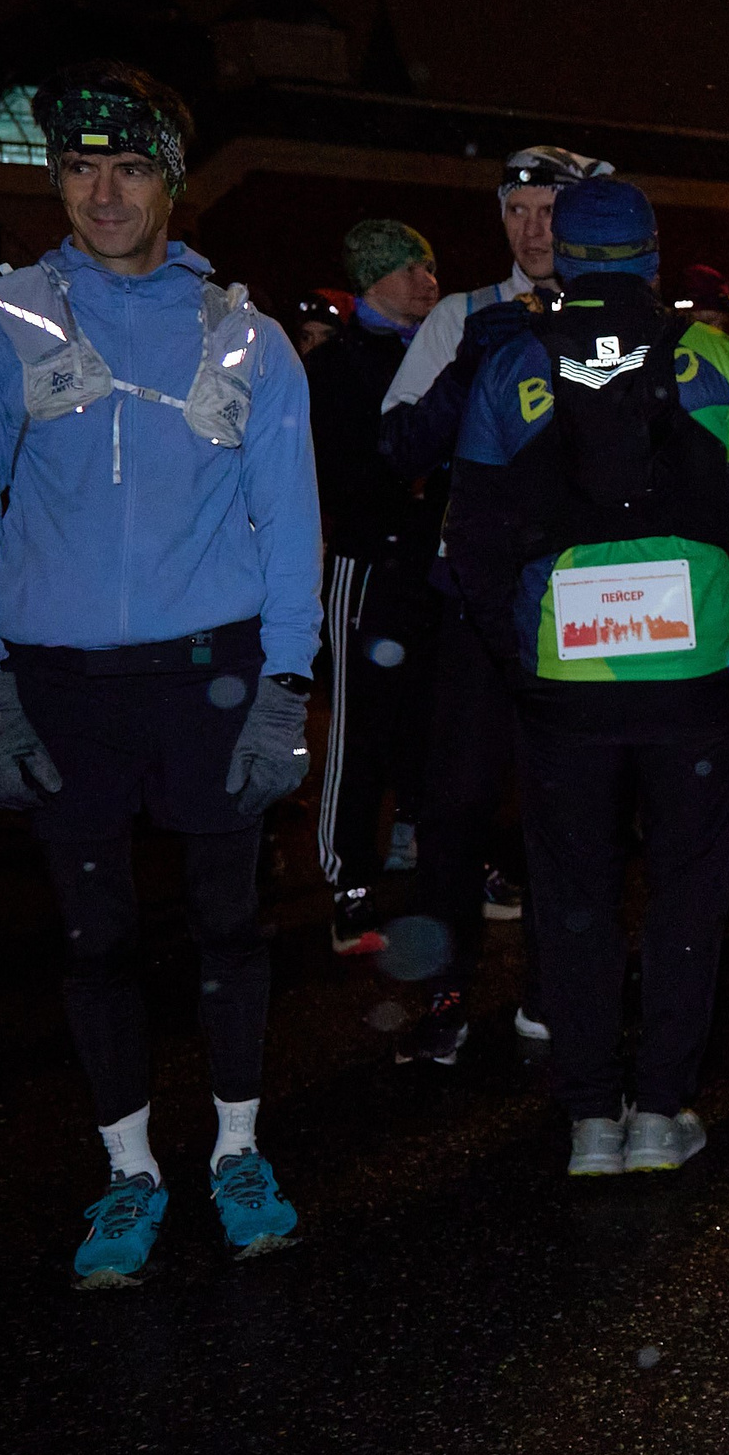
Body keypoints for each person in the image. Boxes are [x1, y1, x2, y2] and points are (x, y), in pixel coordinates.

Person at [0, 64, 319, 1283]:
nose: (103, 192)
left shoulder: (246, 335)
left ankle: (238, 1150)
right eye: (78, 166)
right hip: (62, 682)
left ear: (171, 179)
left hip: (210, 678)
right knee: (94, 940)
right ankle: (128, 1172)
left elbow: (290, 525)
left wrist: (286, 684)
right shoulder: (6, 318)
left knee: (230, 927)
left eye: (129, 167)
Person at [441, 178, 729, 1175]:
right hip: (695, 676)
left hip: (565, 680)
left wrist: (516, 655)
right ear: (650, 256)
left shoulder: (513, 362)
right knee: (689, 894)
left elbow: (470, 537)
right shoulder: (718, 359)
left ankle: (590, 1118)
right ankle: (660, 1113)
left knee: (575, 896)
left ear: (566, 255)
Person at [377, 144, 612, 1067]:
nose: (534, 228)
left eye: (551, 208)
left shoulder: (616, 306)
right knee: (458, 803)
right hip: (475, 594)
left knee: (571, 803)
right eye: (516, 210)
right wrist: (467, 365)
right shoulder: (458, 314)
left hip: (583, 592)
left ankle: (557, 985)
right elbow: (397, 448)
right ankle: (443, 983)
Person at [310, 219, 443, 954]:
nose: (428, 281)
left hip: (426, 566)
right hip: (368, 566)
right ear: (375, 279)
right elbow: (352, 472)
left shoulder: (437, 352)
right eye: (413, 269)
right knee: (359, 726)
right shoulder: (339, 367)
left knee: (431, 721)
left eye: (430, 267)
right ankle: (348, 880)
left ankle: (440, 860)